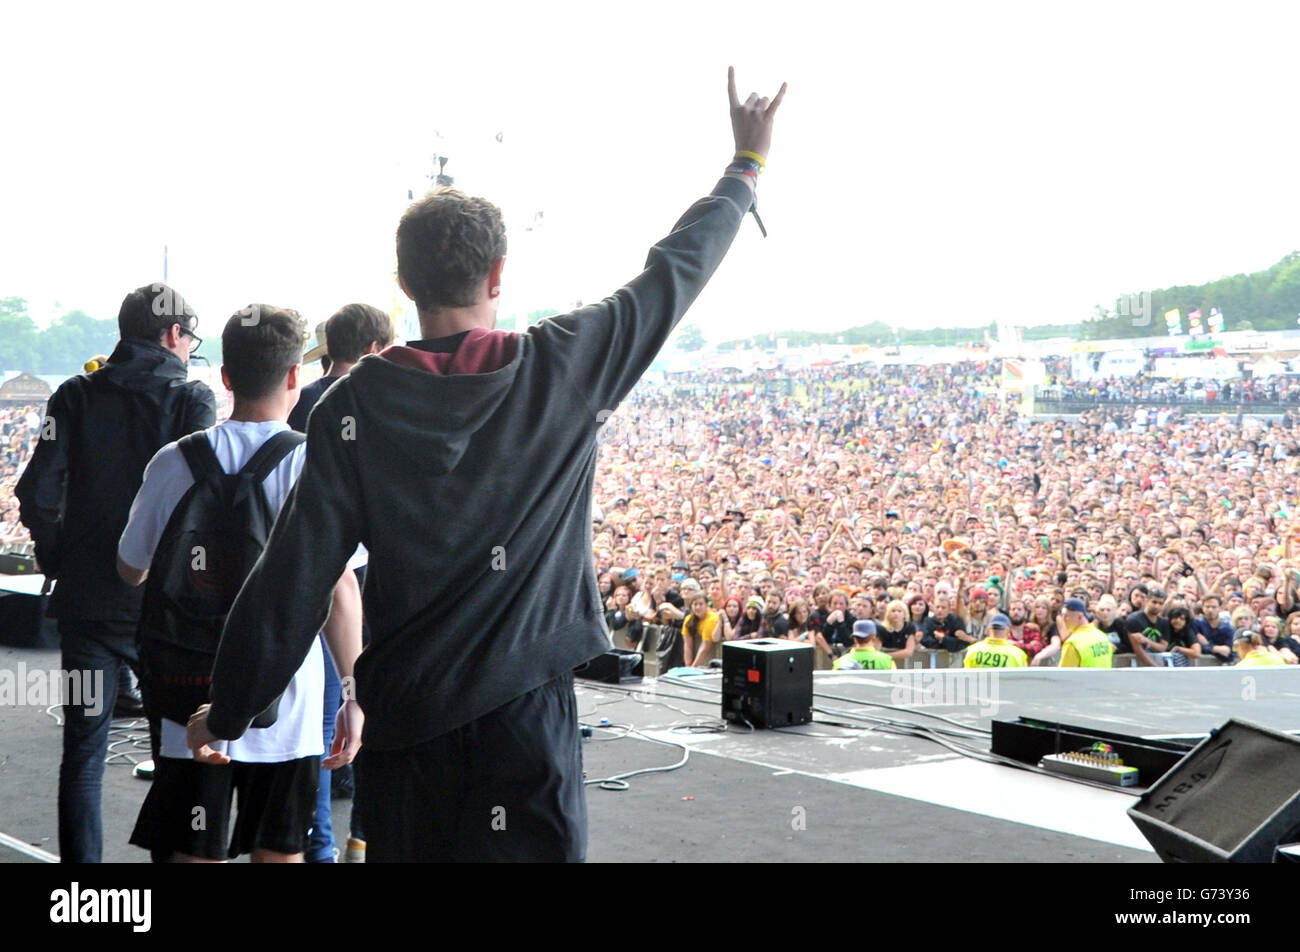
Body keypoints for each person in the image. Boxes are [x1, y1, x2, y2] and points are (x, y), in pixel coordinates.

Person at [185, 69, 787, 862]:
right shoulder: (564, 367)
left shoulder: (350, 408)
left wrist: (229, 709)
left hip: (406, 727)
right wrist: (746, 165)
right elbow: (674, 272)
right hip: (525, 718)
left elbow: (294, 574)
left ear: (402, 285)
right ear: (499, 277)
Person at [117, 307, 363, 862]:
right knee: (278, 851)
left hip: (186, 689)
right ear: (295, 375)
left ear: (225, 377)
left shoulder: (173, 462)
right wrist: (351, 694)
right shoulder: (315, 464)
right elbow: (341, 595)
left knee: (191, 850)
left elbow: (130, 568)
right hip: (287, 699)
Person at [16, 283, 216, 863]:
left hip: (86, 606)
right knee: (174, 757)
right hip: (166, 613)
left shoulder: (73, 396)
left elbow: (36, 491)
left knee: (82, 755)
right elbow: (201, 507)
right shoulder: (192, 400)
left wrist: (61, 558)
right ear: (174, 335)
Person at [287, 303, 392, 864]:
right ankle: (357, 838)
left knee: (326, 710)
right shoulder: (377, 402)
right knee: (365, 697)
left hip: (309, 573)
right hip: (361, 574)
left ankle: (320, 840)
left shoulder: (300, 400)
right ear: (376, 349)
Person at [1058, 598, 1114, 668]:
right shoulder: (1103, 636)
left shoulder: (1073, 643)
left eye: (1067, 616)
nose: (1063, 619)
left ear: (1080, 616)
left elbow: (1062, 675)